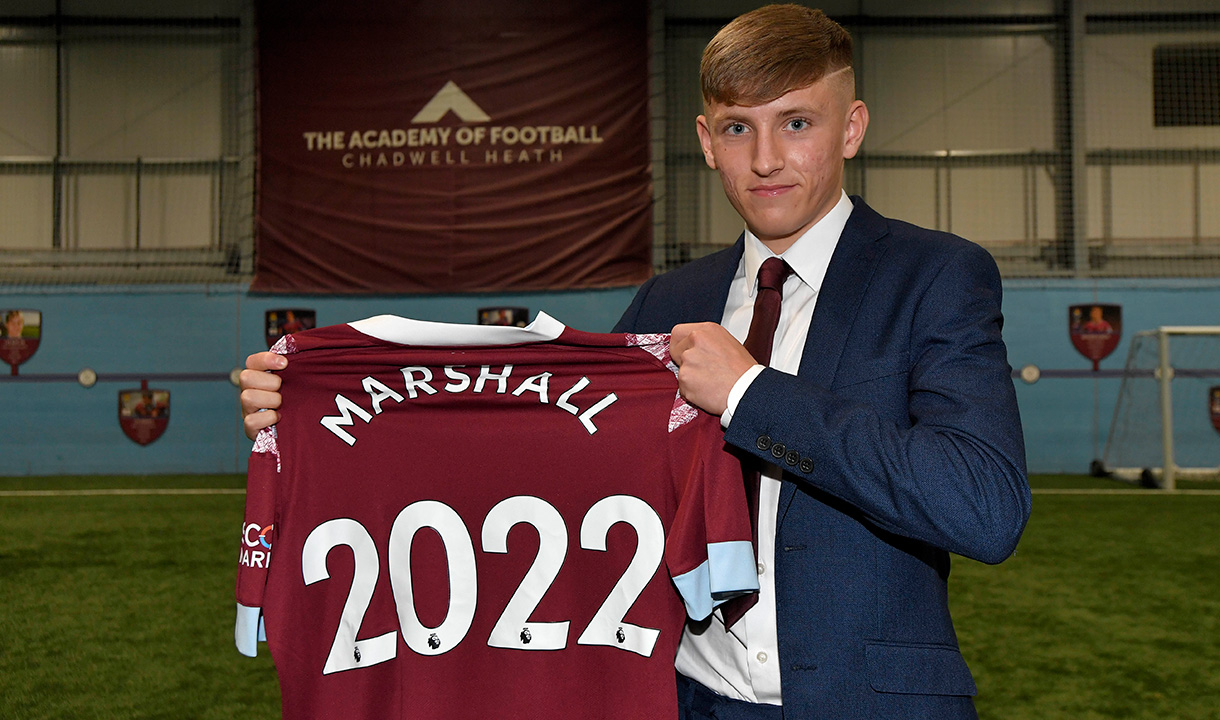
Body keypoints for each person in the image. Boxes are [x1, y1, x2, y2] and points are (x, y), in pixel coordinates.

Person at [241, 5, 1029, 717]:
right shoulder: (665, 304)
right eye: (735, 128)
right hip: (686, 700)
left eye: (796, 124)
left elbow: (985, 509)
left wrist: (751, 395)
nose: (763, 160)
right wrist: (324, 416)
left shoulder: (934, 276)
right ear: (704, 141)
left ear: (851, 129)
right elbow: (544, 466)